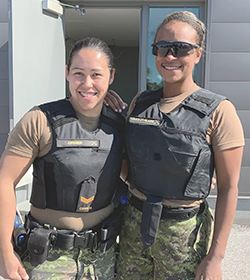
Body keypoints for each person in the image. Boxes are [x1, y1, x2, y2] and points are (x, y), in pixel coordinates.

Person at [105, 11, 244, 280]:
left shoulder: (220, 111)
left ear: (198, 54)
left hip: (184, 235)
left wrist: (216, 257)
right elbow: (127, 161)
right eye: (162, 48)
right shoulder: (140, 102)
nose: (170, 56)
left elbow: (229, 188)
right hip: (134, 224)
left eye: (181, 48)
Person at [0, 37, 127, 280]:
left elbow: (136, 174)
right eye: (78, 73)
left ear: (111, 76)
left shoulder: (121, 126)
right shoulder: (39, 120)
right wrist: (4, 252)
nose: (87, 84)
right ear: (66, 73)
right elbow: (3, 182)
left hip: (103, 256)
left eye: (97, 75)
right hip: (48, 258)